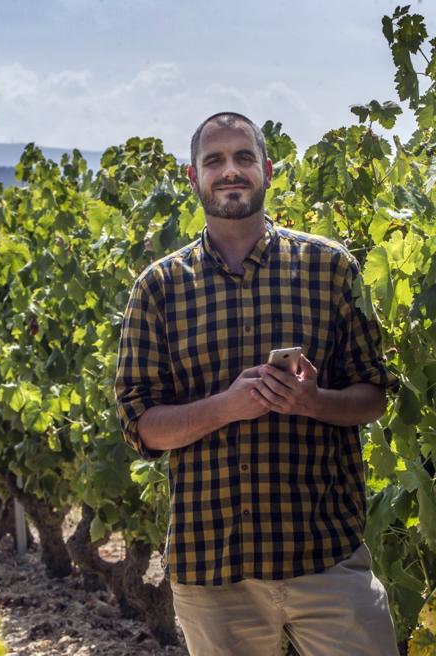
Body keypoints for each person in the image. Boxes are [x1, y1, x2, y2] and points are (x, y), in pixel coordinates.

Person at [115, 111, 400, 656]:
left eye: (244, 157)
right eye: (214, 160)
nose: (231, 171)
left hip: (326, 557)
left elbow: (374, 395)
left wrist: (313, 401)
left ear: (267, 170)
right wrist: (225, 407)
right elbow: (141, 426)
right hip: (213, 570)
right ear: (192, 177)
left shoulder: (329, 268)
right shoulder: (158, 289)